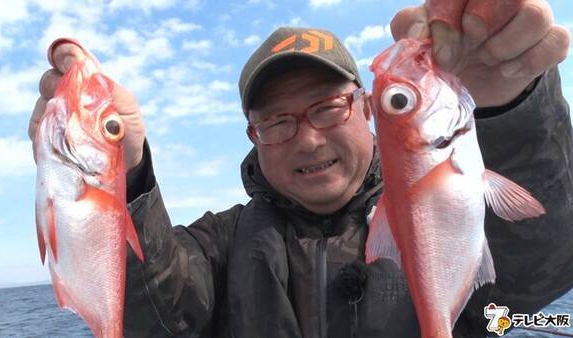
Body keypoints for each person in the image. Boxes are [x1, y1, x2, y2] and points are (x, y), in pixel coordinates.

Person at [28, 1, 573, 337]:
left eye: (327, 107)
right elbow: (161, 314)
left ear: (364, 108)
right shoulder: (223, 240)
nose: (308, 139)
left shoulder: (447, 204)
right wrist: (120, 171)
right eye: (278, 122)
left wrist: (509, 108)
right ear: (254, 138)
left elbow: (540, 272)